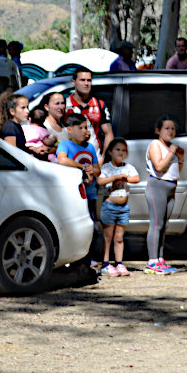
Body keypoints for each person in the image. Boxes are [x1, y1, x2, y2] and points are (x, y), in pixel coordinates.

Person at [56, 112, 101, 267]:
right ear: (69, 129)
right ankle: (72, 260)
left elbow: (97, 170)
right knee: (73, 228)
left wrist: (92, 169)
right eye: (80, 128)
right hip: (73, 196)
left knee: (91, 227)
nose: (85, 131)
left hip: (90, 194)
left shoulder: (90, 147)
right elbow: (62, 160)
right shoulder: (65, 145)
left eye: (86, 127)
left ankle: (89, 258)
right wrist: (81, 166)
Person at [144, 115, 184, 275]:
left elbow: (176, 171)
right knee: (156, 224)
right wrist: (172, 152)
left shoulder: (169, 147)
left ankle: (160, 259)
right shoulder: (155, 144)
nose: (170, 131)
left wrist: (181, 158)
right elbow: (159, 167)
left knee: (164, 225)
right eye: (166, 128)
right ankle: (152, 261)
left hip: (171, 187)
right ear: (158, 130)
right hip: (157, 186)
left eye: (173, 129)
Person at [97, 138, 141, 276]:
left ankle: (119, 263)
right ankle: (105, 264)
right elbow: (100, 181)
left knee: (119, 237)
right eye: (117, 149)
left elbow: (136, 178)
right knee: (107, 236)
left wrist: (125, 178)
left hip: (123, 208)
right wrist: (115, 177)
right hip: (109, 206)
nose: (121, 153)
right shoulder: (106, 168)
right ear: (110, 152)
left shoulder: (127, 168)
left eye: (123, 150)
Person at [68, 68, 114, 155]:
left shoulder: (99, 105)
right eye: (82, 80)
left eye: (89, 80)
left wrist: (103, 157)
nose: (86, 83)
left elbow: (108, 133)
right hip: (71, 158)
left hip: (94, 158)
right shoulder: (65, 105)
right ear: (73, 82)